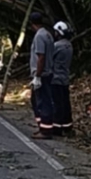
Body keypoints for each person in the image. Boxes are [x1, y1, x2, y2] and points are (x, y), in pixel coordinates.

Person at [29, 12, 55, 140]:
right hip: (48, 72)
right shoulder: (48, 34)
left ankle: (45, 130)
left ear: (31, 23)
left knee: (42, 101)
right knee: (36, 100)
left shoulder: (39, 36)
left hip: (42, 74)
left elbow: (41, 57)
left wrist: (37, 76)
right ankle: (43, 127)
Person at [52, 21, 74, 137]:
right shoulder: (69, 45)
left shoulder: (57, 46)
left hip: (55, 78)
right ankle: (67, 126)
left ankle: (57, 127)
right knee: (65, 102)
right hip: (65, 77)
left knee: (57, 103)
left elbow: (49, 60)